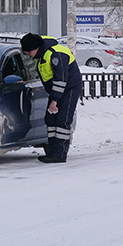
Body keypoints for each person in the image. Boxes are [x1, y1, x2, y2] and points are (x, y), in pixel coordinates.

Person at [20, 33, 83, 163]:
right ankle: (53, 151)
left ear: (36, 48)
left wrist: (54, 101)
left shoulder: (56, 54)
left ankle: (60, 154)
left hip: (69, 88)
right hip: (57, 90)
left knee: (62, 120)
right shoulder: (41, 54)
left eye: (28, 51)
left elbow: (61, 80)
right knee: (50, 119)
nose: (28, 54)